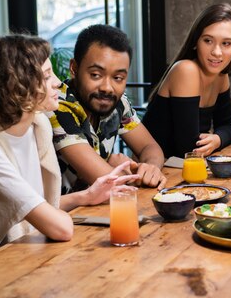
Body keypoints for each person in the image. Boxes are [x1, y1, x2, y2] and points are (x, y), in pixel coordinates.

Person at [0, 35, 138, 274]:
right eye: (46, 75)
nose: (56, 83)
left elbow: (31, 207)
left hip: (23, 250)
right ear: (15, 85)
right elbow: (59, 227)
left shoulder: (34, 125)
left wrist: (85, 196)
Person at [49, 24, 166, 193]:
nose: (107, 87)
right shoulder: (58, 107)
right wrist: (125, 172)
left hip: (100, 209)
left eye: (118, 78)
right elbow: (107, 182)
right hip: (65, 215)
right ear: (74, 68)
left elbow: (150, 147)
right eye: (96, 75)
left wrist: (151, 168)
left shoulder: (118, 102)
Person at [142, 3, 231, 158]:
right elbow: (187, 148)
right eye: (208, 41)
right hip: (156, 169)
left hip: (181, 168)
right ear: (196, 41)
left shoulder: (221, 76)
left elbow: (229, 126)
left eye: (226, 43)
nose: (216, 52)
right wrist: (216, 138)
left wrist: (217, 139)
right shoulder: (186, 70)